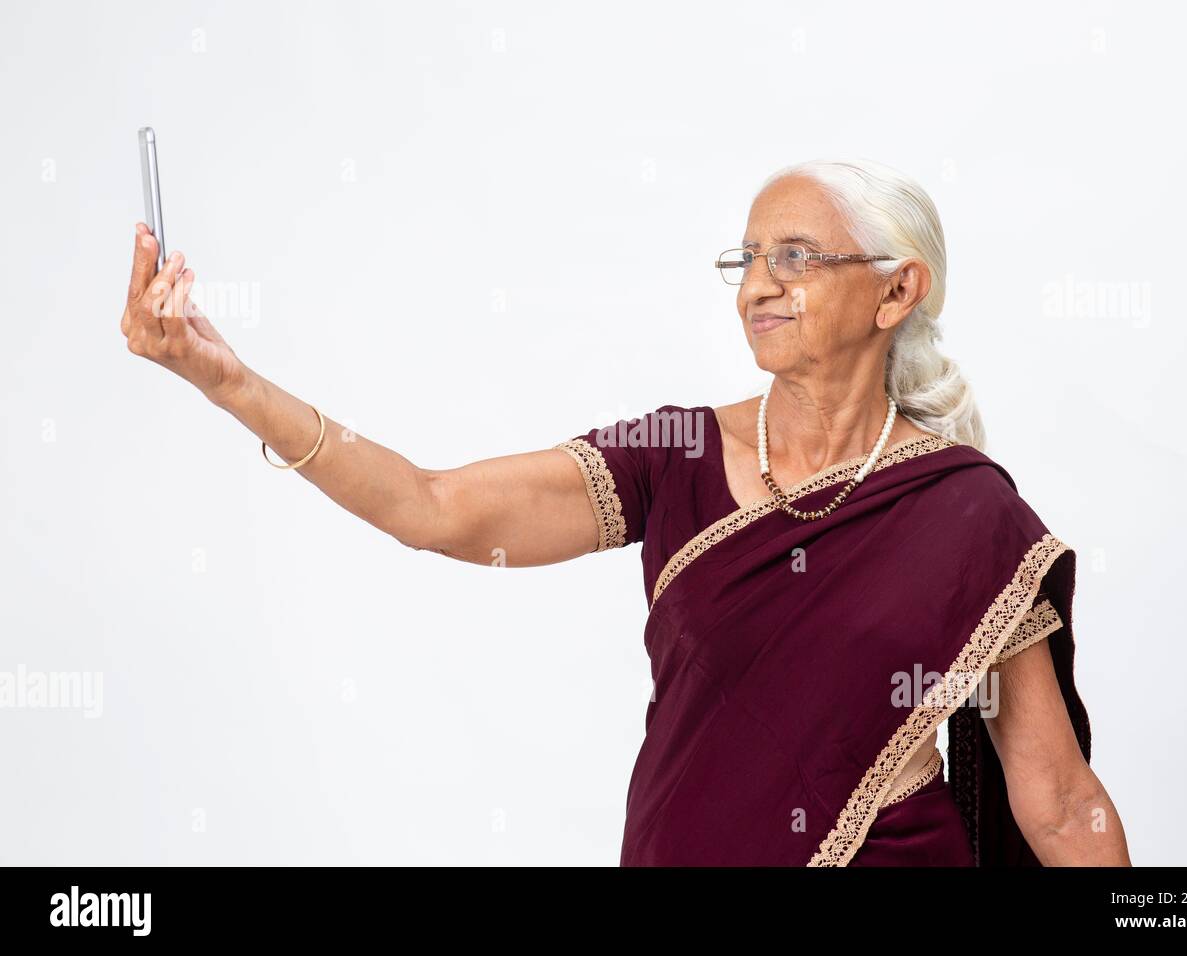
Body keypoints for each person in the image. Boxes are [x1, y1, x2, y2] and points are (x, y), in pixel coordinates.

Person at [120, 157, 1130, 866]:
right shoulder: (675, 455)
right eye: (745, 260)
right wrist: (225, 377)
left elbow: (1056, 796)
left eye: (794, 257)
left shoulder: (965, 512)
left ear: (894, 290)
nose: (756, 287)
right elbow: (434, 508)